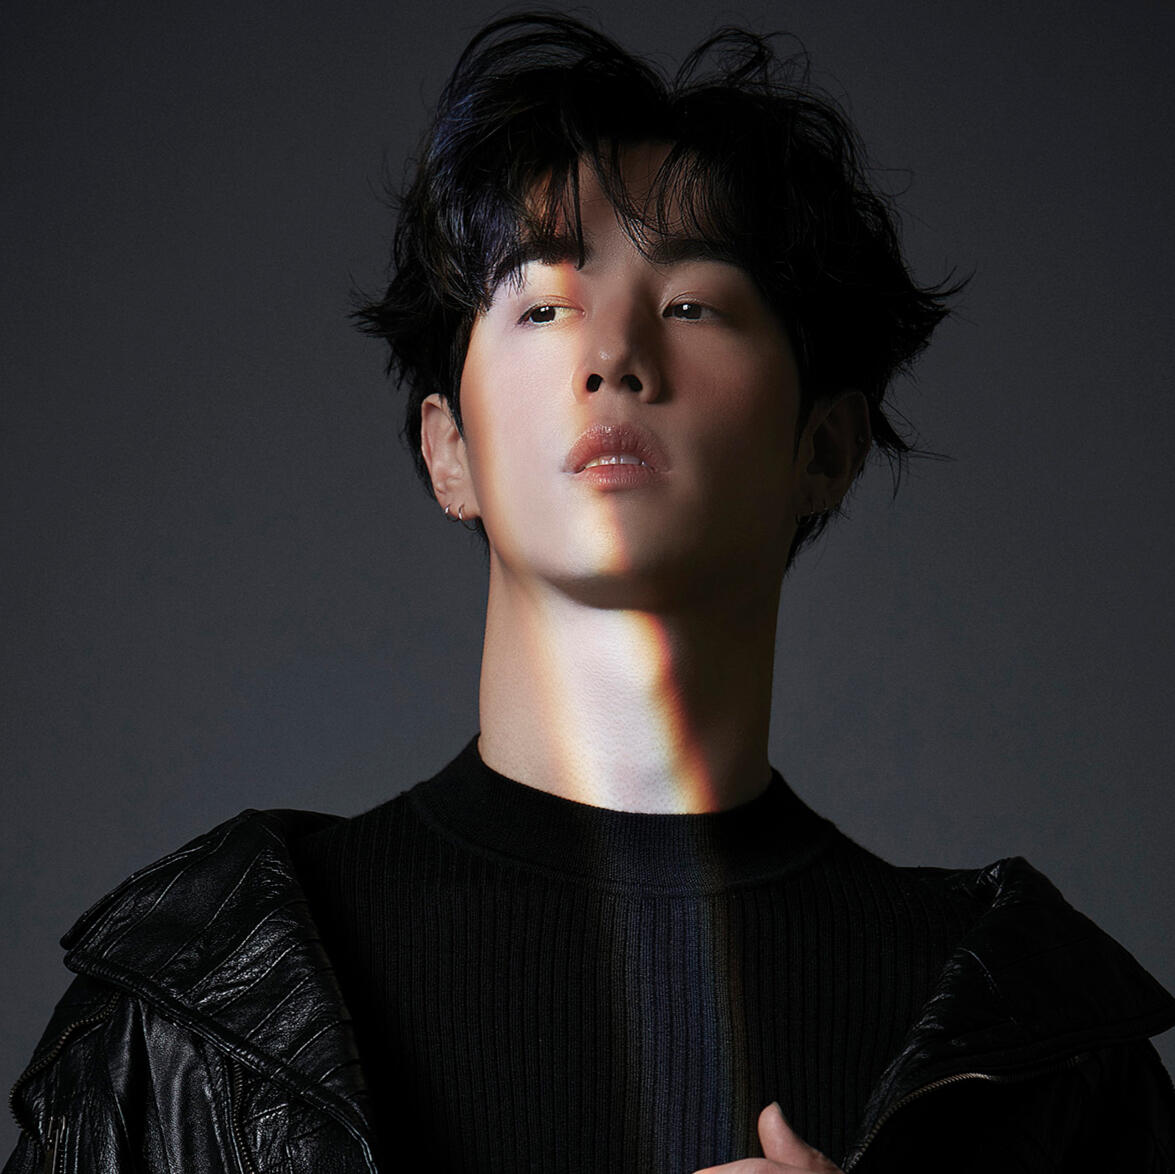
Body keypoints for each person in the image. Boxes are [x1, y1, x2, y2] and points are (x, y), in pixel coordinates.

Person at [5, 13, 1173, 1174]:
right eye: (541, 307)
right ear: (449, 450)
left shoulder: (1030, 1047)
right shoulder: (198, 1009)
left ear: (824, 447)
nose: (611, 356)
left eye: (691, 305)